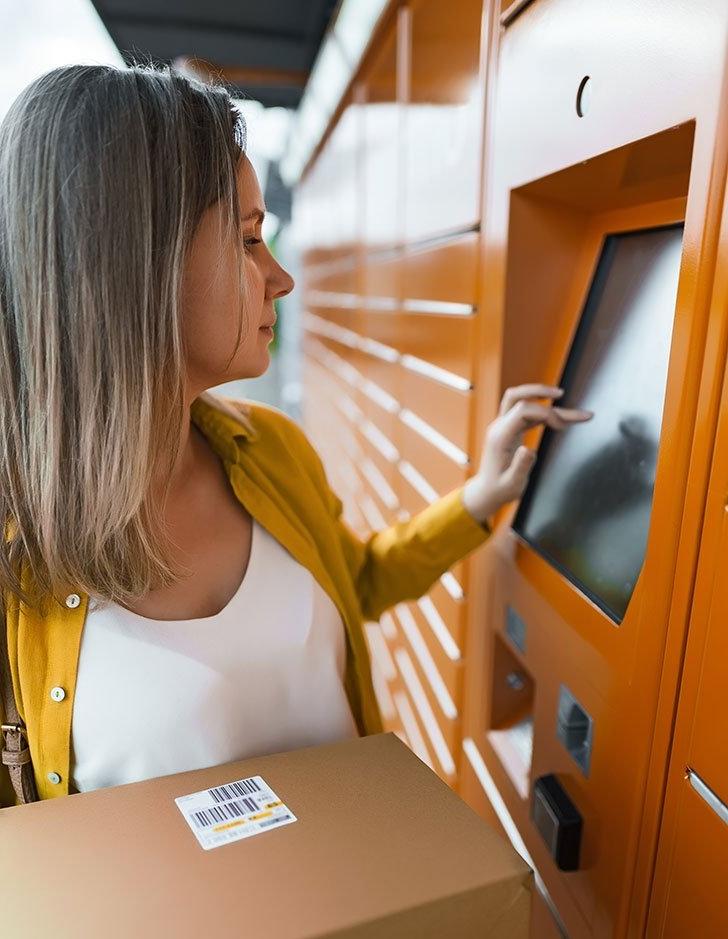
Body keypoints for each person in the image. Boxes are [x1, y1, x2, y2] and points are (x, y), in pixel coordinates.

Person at [0, 64, 591, 806]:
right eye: (249, 239)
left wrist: (480, 498)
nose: (281, 277)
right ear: (131, 266)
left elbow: (361, 580)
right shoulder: (18, 556)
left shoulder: (270, 450)